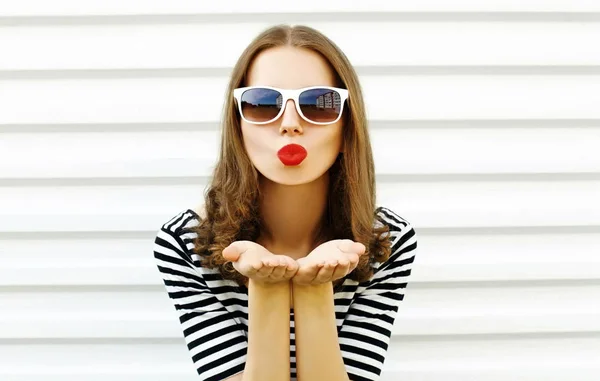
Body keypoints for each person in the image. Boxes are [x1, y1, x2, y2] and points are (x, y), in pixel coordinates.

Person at [153, 24, 418, 381]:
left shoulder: (386, 240)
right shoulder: (184, 243)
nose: (290, 124)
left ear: (347, 128)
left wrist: (313, 290)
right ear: (239, 126)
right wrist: (267, 290)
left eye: (318, 104)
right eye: (263, 104)